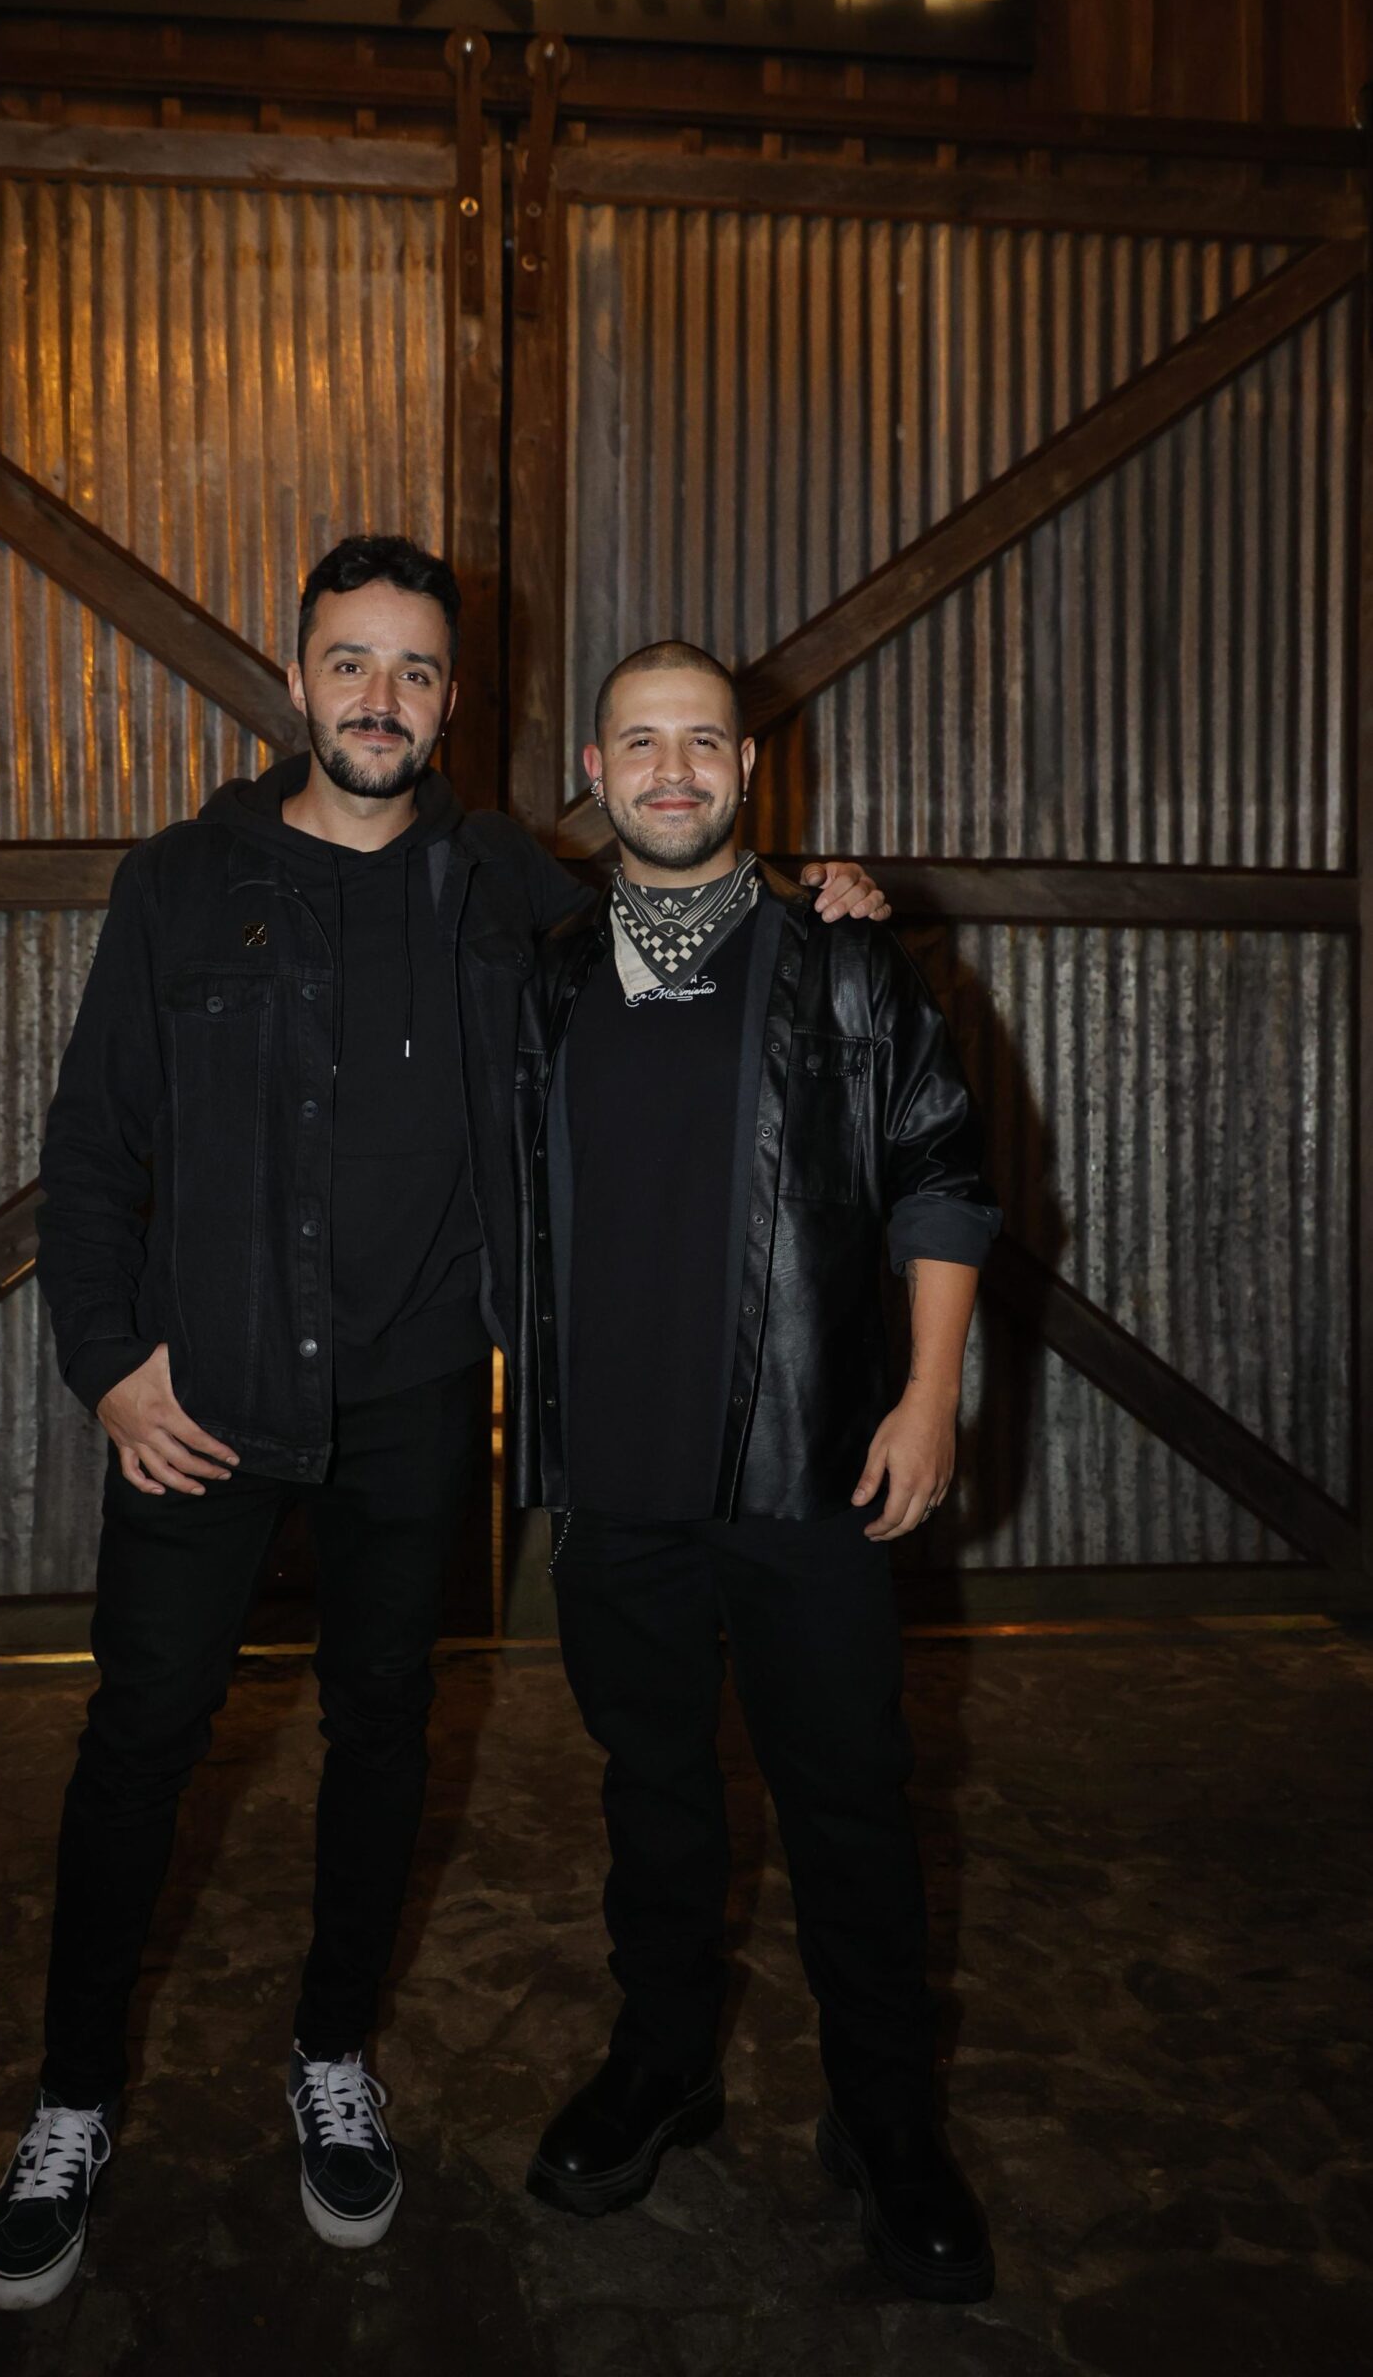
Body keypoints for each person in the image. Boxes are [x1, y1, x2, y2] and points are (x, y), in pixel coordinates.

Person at [0, 541, 890, 2309]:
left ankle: (334, 2057)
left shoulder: (506, 883)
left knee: (385, 1732)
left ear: (453, 702)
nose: (378, 699)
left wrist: (823, 892)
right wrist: (109, 1361)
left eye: (413, 671)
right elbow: (91, 1146)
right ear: (296, 677)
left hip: (412, 1400)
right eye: (350, 662)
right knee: (141, 1741)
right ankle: (71, 2100)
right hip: (202, 1393)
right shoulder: (180, 881)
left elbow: (683, 900)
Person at [511, 640, 1001, 2305]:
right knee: (652, 1798)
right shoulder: (547, 974)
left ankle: (887, 2119)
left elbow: (943, 1173)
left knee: (849, 1801)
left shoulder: (846, 963)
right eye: (641, 743)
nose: (673, 770)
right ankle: (665, 2063)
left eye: (702, 742)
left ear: (747, 767)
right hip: (611, 1480)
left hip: (809, 1466)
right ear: (597, 769)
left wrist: (927, 1397)